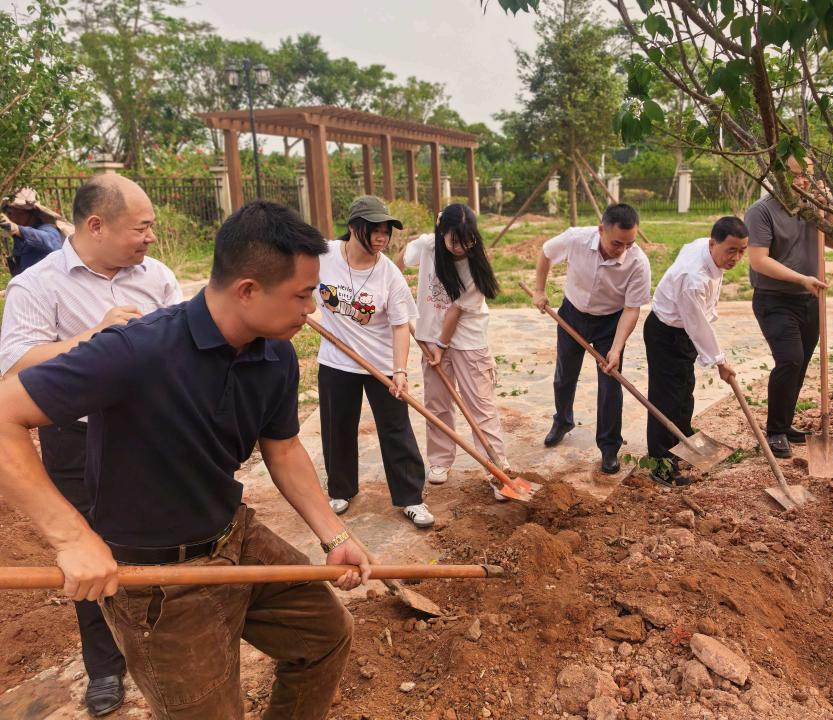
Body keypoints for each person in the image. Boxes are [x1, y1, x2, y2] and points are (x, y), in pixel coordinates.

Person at [0, 201, 370, 720]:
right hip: (157, 581)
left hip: (234, 536)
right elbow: (4, 416)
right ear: (247, 290)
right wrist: (72, 538)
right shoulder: (137, 351)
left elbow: (283, 448)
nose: (311, 310)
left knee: (325, 637)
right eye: (302, 295)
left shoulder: (275, 355)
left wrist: (335, 534)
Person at [0, 174, 181, 716]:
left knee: (162, 538)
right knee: (87, 549)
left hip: (151, 432)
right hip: (76, 437)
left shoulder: (158, 277)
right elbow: (16, 365)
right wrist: (93, 340)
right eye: (141, 228)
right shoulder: (37, 285)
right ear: (96, 226)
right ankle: (104, 666)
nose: (151, 238)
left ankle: (168, 642)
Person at [316, 195, 434, 528]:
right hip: (336, 361)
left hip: (381, 364)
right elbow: (295, 277)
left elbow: (400, 326)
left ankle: (411, 498)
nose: (382, 238)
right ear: (354, 228)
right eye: (375, 230)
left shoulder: (389, 274)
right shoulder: (323, 255)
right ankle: (340, 490)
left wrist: (400, 371)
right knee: (337, 427)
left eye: (386, 231)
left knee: (396, 429)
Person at [529, 203, 652, 474]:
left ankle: (609, 447)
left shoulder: (638, 263)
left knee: (610, 384)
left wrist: (616, 349)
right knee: (564, 375)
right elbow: (546, 253)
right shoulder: (576, 239)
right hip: (572, 313)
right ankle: (562, 421)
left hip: (610, 322)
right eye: (617, 243)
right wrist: (539, 290)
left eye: (629, 243)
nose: (623, 249)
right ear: (601, 230)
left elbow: (632, 309)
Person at [399, 203, 508, 497]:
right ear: (441, 231)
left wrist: (441, 346)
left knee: (481, 406)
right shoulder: (427, 246)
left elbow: (455, 311)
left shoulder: (474, 265)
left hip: (468, 341)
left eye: (468, 240)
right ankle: (440, 460)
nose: (461, 247)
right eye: (454, 240)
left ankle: (497, 469)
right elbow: (402, 260)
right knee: (437, 403)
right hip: (430, 337)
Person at [745, 156, 833, 459]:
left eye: (808, 175)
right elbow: (759, 260)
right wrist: (801, 278)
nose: (803, 182)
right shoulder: (761, 211)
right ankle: (775, 431)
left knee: (799, 363)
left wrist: (828, 208)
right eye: (796, 175)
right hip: (774, 299)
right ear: (777, 176)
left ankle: (785, 424)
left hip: (810, 299)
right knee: (790, 359)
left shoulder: (813, 206)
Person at [645, 217, 748, 479]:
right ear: (713, 244)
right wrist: (720, 362)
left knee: (684, 390)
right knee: (665, 399)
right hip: (667, 334)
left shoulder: (704, 247)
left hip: (683, 329)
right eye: (731, 250)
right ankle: (660, 463)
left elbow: (697, 324)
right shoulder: (692, 278)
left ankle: (683, 439)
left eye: (742, 251)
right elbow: (697, 326)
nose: (736, 258)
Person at [1, 187, 64, 275]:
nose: (13, 218)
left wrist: (17, 229)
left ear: (33, 213)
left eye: (20, 213)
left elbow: (52, 243)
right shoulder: (19, 236)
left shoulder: (47, 228)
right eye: (10, 213)